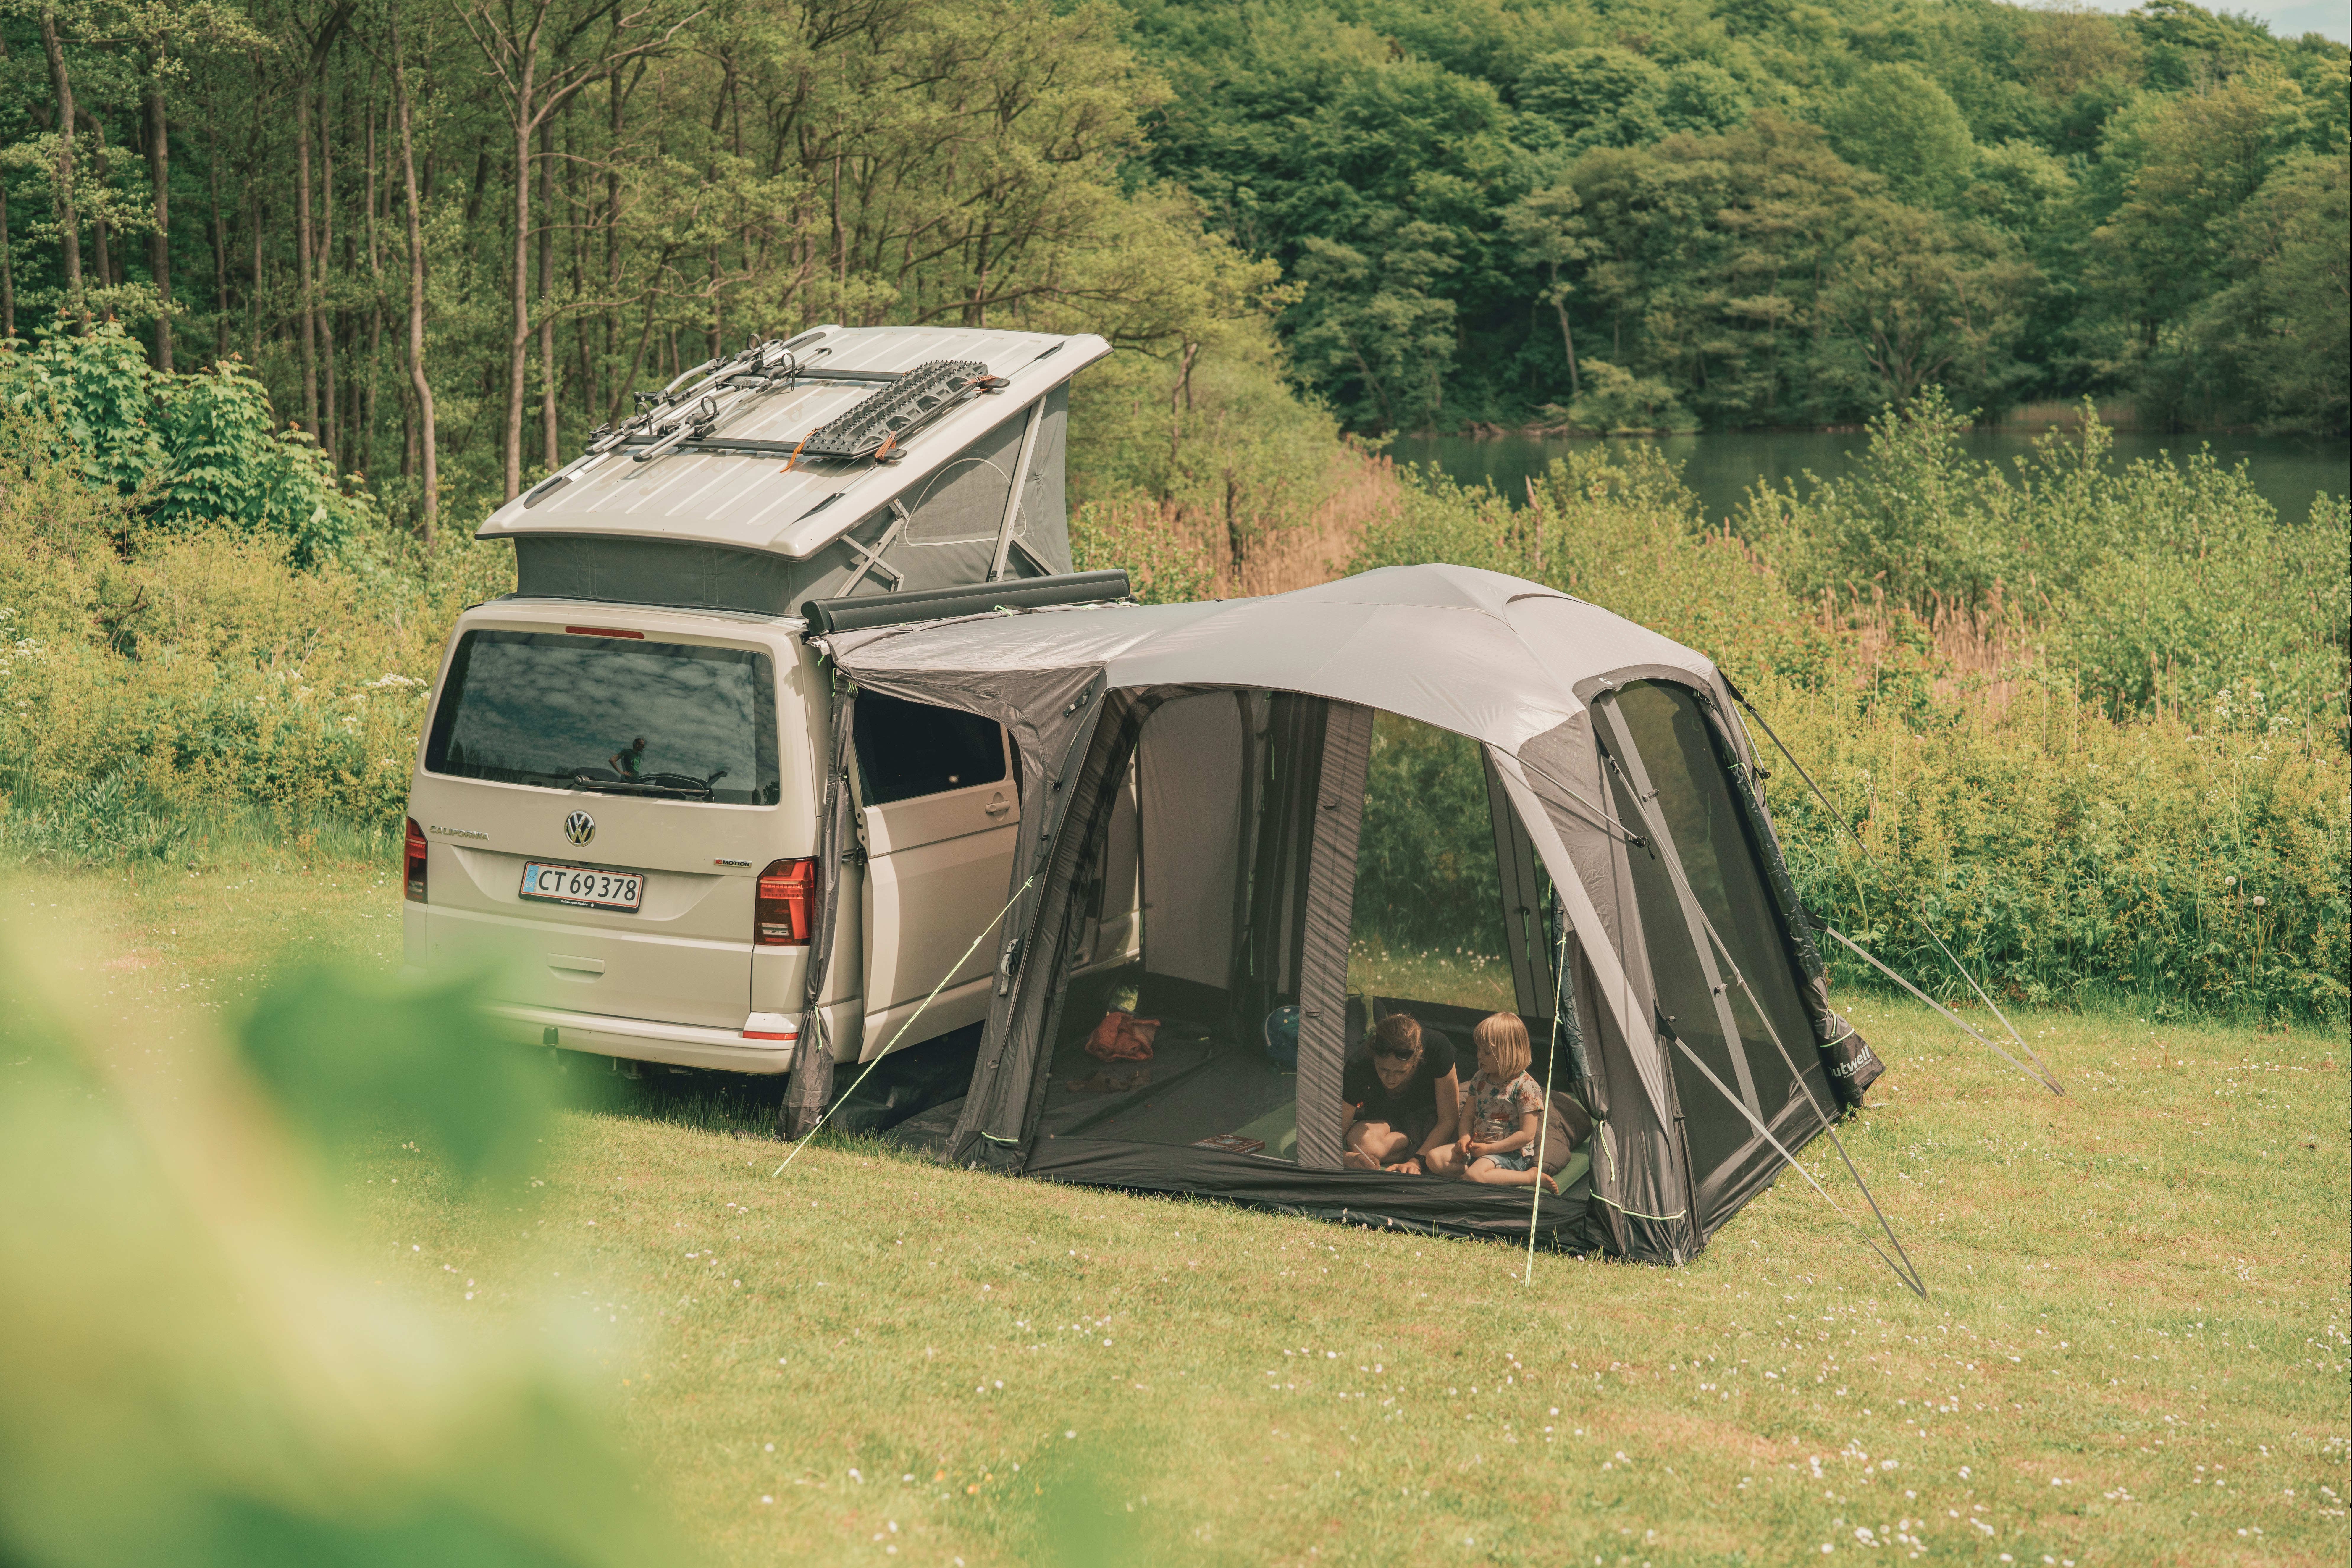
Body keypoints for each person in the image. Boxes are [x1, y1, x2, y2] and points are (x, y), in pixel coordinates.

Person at [1424, 1012, 1557, 1192]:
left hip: (1510, 1153)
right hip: (1478, 1148)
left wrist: (1489, 1150)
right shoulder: (1480, 1079)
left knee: (1475, 1175)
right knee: (1433, 1158)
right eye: (1479, 1049)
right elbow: (1468, 1116)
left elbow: (1526, 1135)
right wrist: (1464, 1138)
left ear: (1509, 1052)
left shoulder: (1526, 1086)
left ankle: (1529, 1177)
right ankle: (1478, 1177)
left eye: (1487, 1052)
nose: (1480, 1056)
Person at [1340, 1014, 1460, 1173]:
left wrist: (1417, 1161)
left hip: (1433, 1115)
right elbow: (1333, 1134)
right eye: (1383, 1069)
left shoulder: (1437, 1047)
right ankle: (1419, 1143)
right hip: (1390, 1120)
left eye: (1401, 1071)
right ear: (1374, 1056)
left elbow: (1449, 1119)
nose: (1390, 1079)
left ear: (1418, 1057)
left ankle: (1420, 1146)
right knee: (1358, 1141)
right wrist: (1348, 1158)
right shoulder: (1358, 1065)